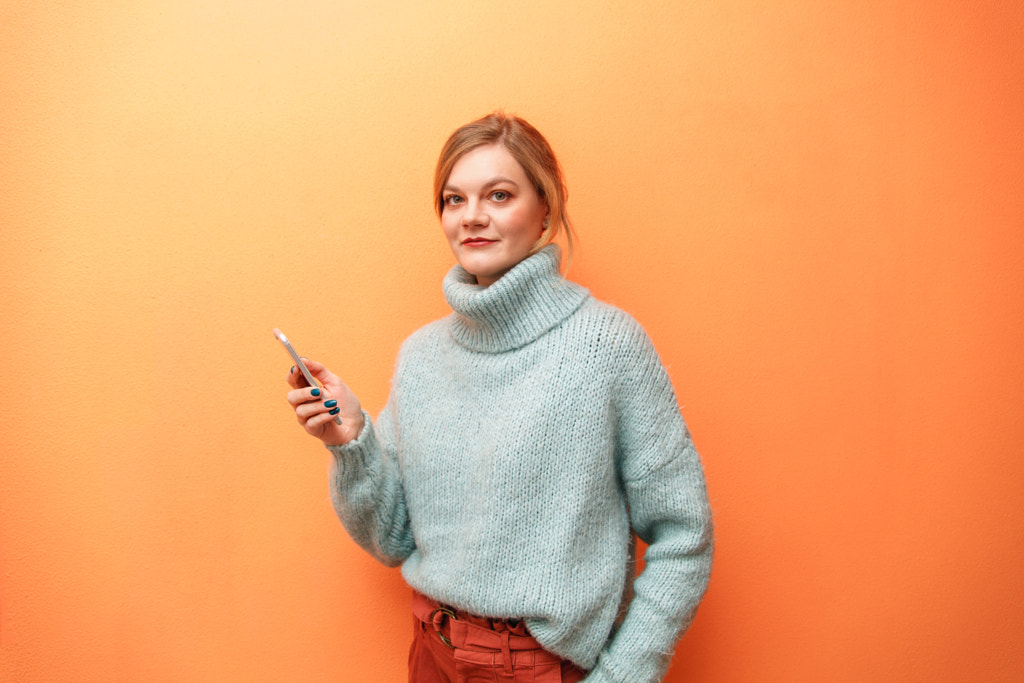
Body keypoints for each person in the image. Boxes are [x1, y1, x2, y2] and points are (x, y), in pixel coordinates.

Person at [284, 112, 713, 683]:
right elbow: (392, 541)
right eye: (454, 200)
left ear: (546, 210)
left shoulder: (606, 345)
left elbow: (684, 532)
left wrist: (626, 674)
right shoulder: (421, 356)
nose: (473, 218)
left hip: (537, 666)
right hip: (432, 652)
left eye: (499, 195)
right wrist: (353, 443)